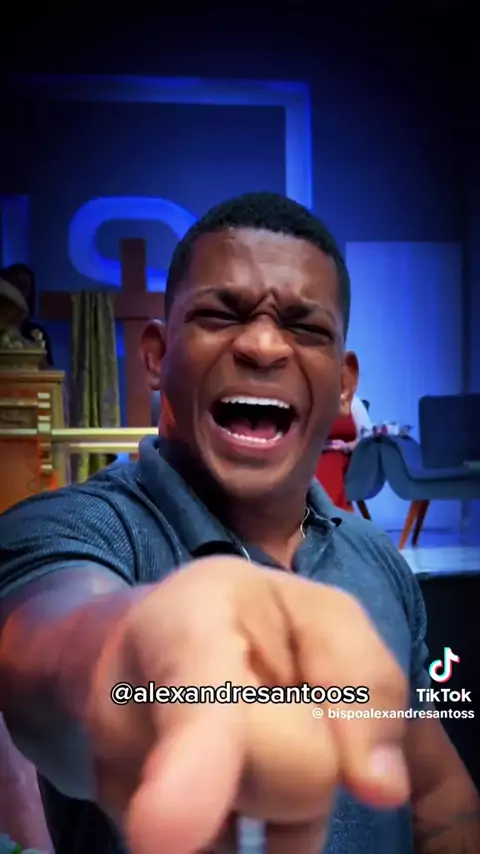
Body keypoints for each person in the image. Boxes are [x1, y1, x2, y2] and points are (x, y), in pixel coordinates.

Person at [0, 192, 478, 854]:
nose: (261, 344)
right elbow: (47, 650)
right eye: (221, 315)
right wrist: (129, 658)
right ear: (155, 355)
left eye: (304, 327)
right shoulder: (70, 528)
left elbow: (437, 794)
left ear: (344, 383)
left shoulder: (377, 558)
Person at [316, 395, 373, 510]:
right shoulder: (312, 401)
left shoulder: (353, 402)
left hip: (349, 455)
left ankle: (330, 512)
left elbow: (368, 437)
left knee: (330, 460)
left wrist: (346, 446)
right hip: (315, 454)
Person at [0, 263, 54, 366]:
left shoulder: (36, 334)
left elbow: (46, 369)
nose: (19, 291)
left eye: (25, 287)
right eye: (17, 284)